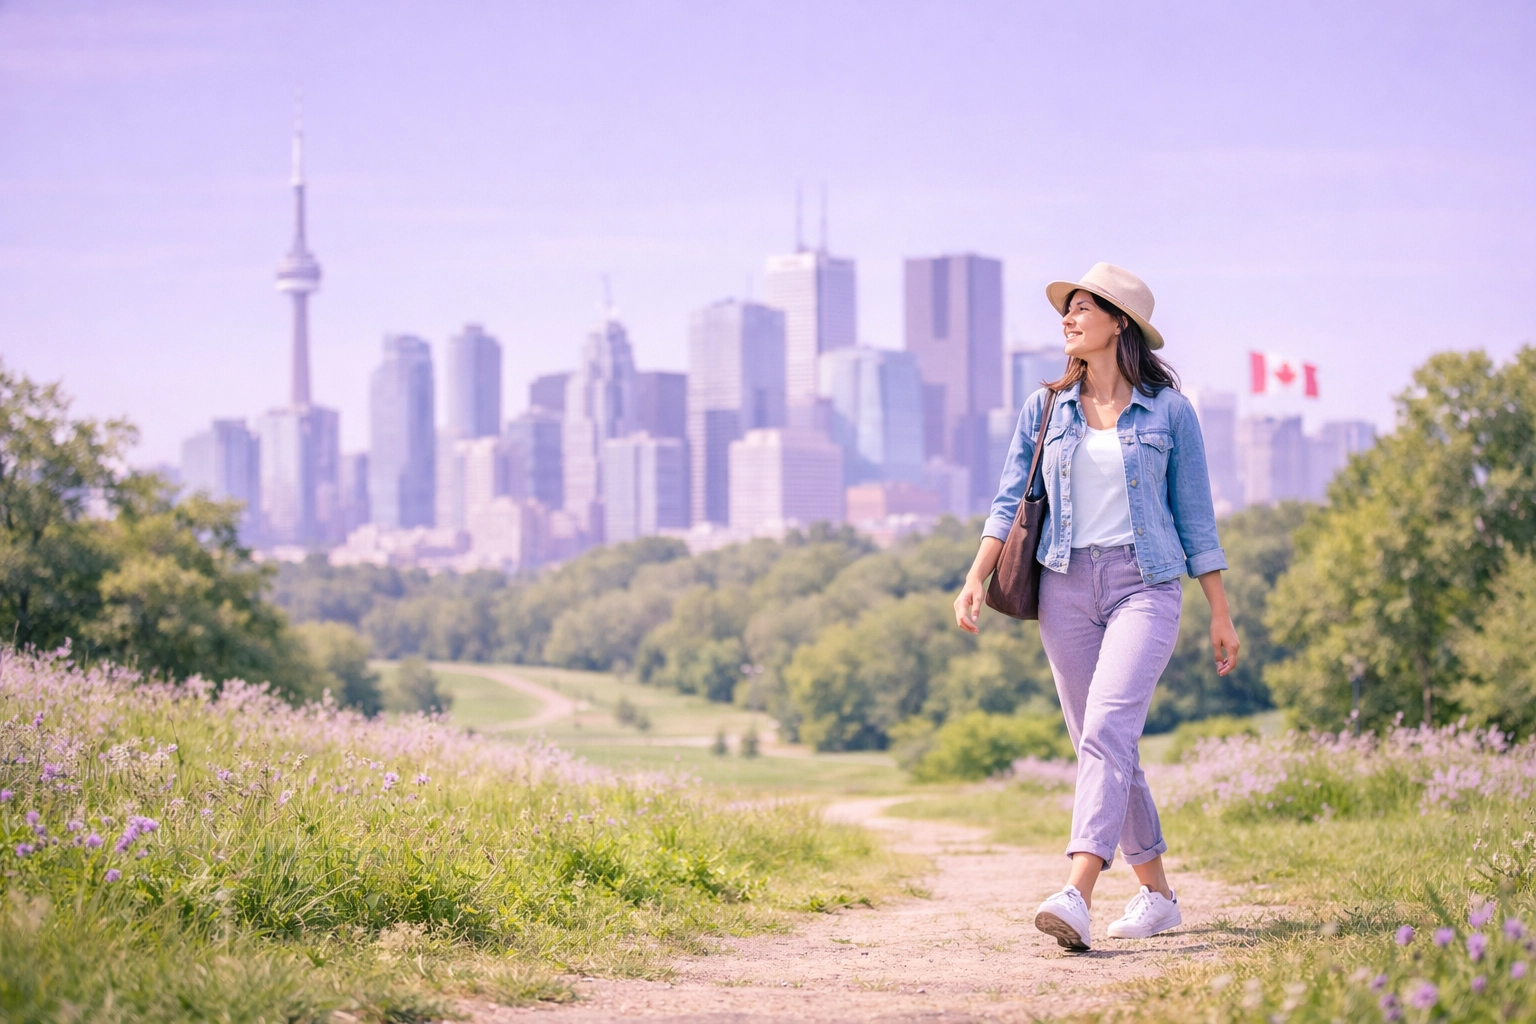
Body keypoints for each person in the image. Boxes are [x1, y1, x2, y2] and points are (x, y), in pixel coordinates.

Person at [952, 263, 1240, 951]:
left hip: (1147, 584)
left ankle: (1075, 892)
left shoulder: (1169, 411)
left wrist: (1220, 612)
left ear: (1120, 324)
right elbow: (1005, 502)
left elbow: (1195, 517)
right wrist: (975, 576)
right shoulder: (1044, 408)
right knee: (1105, 742)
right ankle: (1159, 896)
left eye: (1083, 308)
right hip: (1065, 587)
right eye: (1066, 309)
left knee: (1107, 729)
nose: (1068, 318)